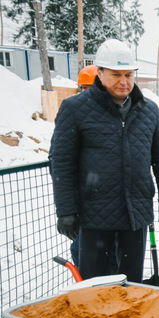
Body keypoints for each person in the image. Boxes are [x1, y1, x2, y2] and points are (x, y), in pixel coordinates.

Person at [49, 39, 159, 282]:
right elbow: (62, 162)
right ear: (100, 73)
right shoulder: (75, 108)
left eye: (128, 74)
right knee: (96, 286)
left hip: (135, 214)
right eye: (116, 74)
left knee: (131, 284)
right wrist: (66, 210)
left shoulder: (149, 110)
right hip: (95, 214)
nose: (124, 81)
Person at [68, 63, 101, 265]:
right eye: (85, 88)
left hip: (107, 200)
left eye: (92, 88)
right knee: (81, 248)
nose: (88, 93)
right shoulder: (73, 114)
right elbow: (59, 159)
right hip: (84, 198)